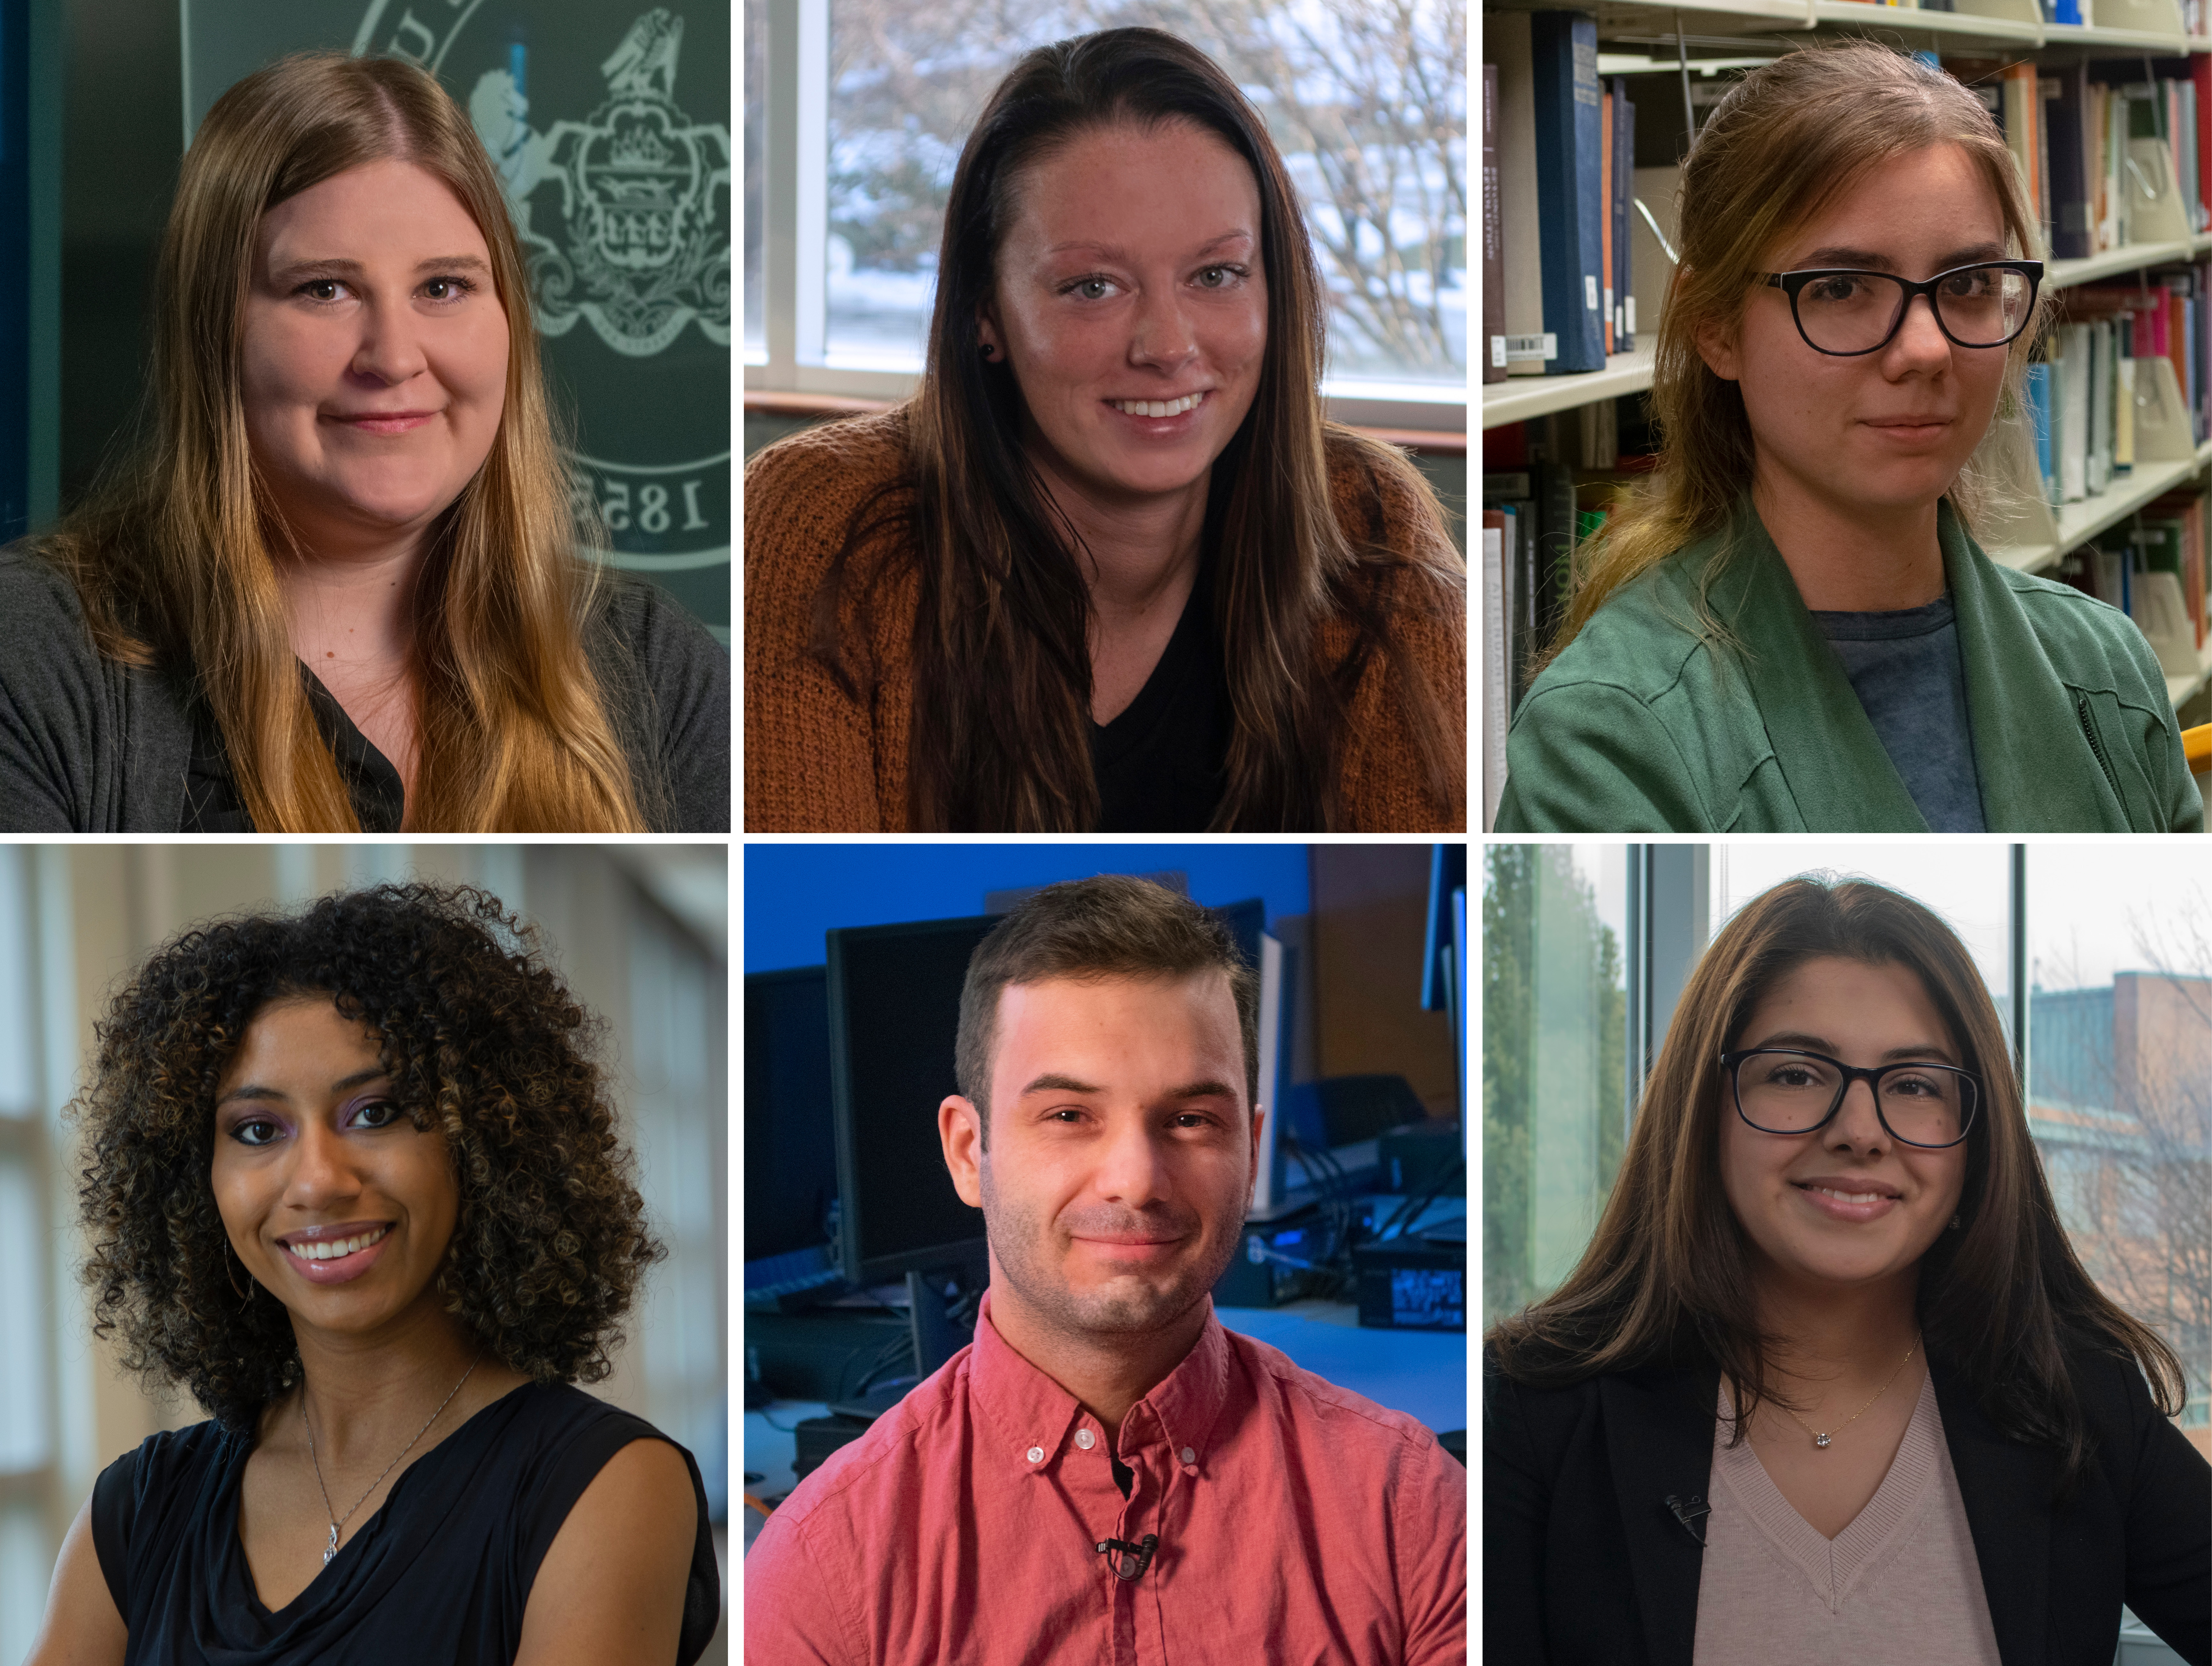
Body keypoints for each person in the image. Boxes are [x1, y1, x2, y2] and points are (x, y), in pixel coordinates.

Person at [744, 28, 1465, 833]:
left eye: (1216, 275)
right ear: (986, 312)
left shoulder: (1370, 524)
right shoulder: (819, 521)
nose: (1167, 346)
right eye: (1092, 287)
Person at [1485, 875, 2211, 1663]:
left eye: (1913, 1085)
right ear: (1703, 1110)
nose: (1860, 1132)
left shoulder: (2078, 1401)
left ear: (1977, 1140)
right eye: (1795, 1074)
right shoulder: (1533, 1413)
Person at [0, 52, 728, 833]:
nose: (393, 357)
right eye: (325, 289)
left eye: (442, 288)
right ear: (212, 330)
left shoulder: (655, 665)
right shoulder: (37, 659)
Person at [744, 875, 1467, 1660]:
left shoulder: (1411, 1509)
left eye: (1190, 1120)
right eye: (1068, 1117)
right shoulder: (824, 1568)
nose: (1136, 1178)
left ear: (1252, 1149)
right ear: (966, 1151)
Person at [1494, 42, 2203, 833]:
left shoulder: (2107, 666)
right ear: (1714, 326)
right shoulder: (1605, 737)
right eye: (1839, 289)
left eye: (1967, 285)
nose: (1926, 350)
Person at [25, 884, 720, 1666]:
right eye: (257, 1130)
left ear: (481, 1139)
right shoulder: (136, 1511)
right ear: (197, 1180)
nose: (318, 1180)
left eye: (376, 1113)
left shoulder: (605, 1487)